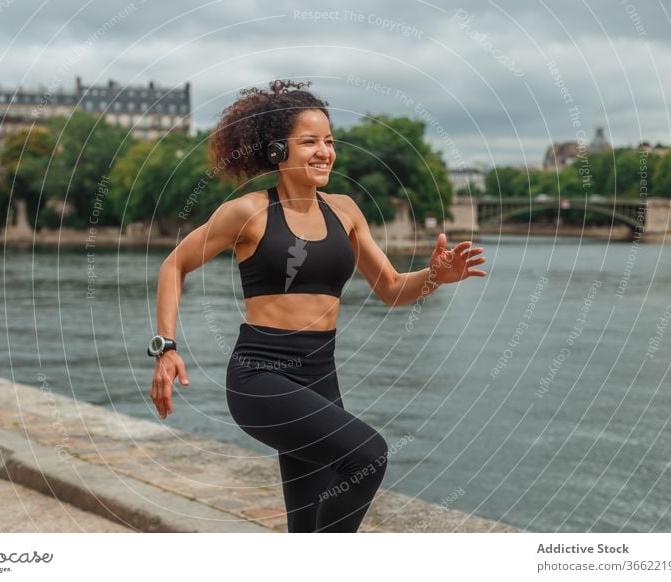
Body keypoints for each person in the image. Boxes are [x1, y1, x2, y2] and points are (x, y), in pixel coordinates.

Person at [149, 79, 486, 533]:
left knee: (306, 525)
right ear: (276, 151)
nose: (323, 151)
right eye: (308, 141)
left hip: (321, 378)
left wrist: (434, 278)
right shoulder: (247, 212)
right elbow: (175, 264)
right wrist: (165, 346)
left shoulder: (345, 210)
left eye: (329, 141)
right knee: (369, 454)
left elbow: (389, 287)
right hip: (260, 375)